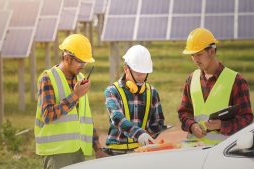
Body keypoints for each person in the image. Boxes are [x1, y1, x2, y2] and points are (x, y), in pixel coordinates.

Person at [34, 34, 107, 169]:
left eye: (85, 62)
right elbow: (48, 115)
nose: (83, 65)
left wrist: (98, 148)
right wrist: (75, 95)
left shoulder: (80, 78)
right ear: (67, 58)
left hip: (78, 153)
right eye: (80, 61)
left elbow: (85, 118)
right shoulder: (48, 78)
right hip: (57, 155)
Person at [178, 28, 253, 145]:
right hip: (192, 152)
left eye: (199, 54)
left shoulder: (236, 81)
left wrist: (221, 125)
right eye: (193, 55)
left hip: (220, 155)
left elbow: (247, 120)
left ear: (211, 52)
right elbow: (184, 112)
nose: (196, 60)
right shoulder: (191, 79)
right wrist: (192, 126)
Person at [104, 45, 166, 156]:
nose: (141, 77)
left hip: (142, 152)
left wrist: (148, 134)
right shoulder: (112, 91)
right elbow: (117, 117)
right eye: (137, 73)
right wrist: (139, 134)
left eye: (144, 73)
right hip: (116, 152)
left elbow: (159, 121)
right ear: (126, 68)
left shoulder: (152, 93)